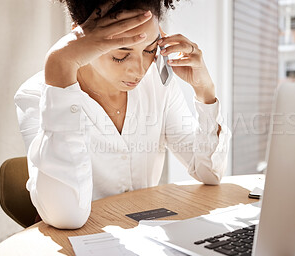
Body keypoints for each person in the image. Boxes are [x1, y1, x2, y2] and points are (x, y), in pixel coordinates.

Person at [14, 0, 231, 229]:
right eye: (120, 54)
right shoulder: (37, 95)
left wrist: (205, 91)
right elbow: (66, 217)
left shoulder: (157, 84)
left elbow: (210, 172)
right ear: (79, 37)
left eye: (149, 50)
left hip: (150, 239)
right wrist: (59, 63)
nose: (139, 70)